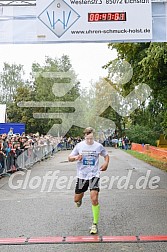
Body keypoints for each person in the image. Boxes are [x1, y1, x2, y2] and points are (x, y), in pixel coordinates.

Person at [68, 127, 109, 234]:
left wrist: (106, 163)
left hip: (94, 175)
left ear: (93, 136)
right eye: (88, 138)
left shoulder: (98, 146)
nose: (90, 140)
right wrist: (76, 157)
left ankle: (94, 224)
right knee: (76, 199)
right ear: (85, 136)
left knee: (94, 198)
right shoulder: (79, 145)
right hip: (82, 175)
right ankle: (79, 200)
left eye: (91, 138)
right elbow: (69, 158)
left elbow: (106, 155)